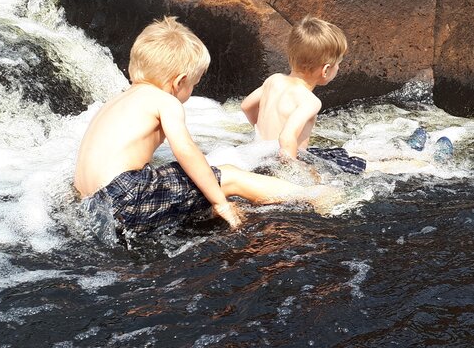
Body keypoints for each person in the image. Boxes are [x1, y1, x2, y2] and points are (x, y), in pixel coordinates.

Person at [75, 16, 317, 232]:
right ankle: (314, 196)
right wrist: (220, 203)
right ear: (179, 82)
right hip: (126, 197)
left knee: (179, 177)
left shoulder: (117, 100)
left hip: (90, 203)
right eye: (194, 84)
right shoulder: (165, 101)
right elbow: (186, 151)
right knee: (229, 176)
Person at [241, 16, 367, 175]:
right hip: (284, 160)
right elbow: (286, 138)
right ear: (326, 70)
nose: (339, 67)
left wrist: (262, 138)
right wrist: (295, 172)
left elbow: (246, 106)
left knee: (338, 155)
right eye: (339, 63)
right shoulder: (309, 101)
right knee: (358, 168)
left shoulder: (273, 80)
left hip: (259, 155)